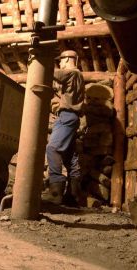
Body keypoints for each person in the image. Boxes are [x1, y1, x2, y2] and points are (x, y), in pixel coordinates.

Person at [45, 50, 85, 205]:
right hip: (70, 117)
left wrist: (45, 63)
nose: (60, 64)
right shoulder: (75, 77)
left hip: (67, 116)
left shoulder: (73, 73)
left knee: (52, 148)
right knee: (70, 157)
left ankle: (56, 192)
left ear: (68, 59)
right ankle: (73, 196)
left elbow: (56, 74)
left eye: (61, 60)